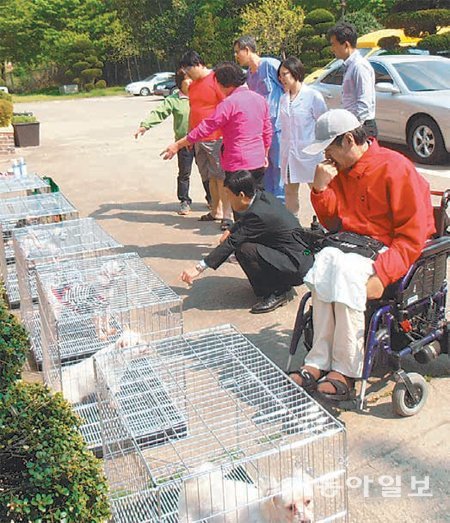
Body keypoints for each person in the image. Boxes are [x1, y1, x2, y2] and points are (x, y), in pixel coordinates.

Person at [289, 109, 435, 400]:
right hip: (350, 244)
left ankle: (345, 369)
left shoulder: (396, 168)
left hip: (384, 249)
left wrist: (384, 273)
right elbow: (332, 222)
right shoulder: (341, 169)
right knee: (324, 264)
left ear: (347, 141)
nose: (326, 156)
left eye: (329, 148)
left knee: (346, 273)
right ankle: (317, 362)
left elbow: (412, 234)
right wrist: (320, 189)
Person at [180, 170, 314, 314]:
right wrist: (231, 229)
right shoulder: (262, 197)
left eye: (229, 195)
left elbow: (232, 242)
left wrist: (198, 268)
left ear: (241, 195)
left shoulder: (259, 214)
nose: (228, 199)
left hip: (298, 265)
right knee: (248, 243)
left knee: (244, 250)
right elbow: (245, 220)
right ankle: (277, 282)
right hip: (303, 254)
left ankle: (277, 291)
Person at [162, 61, 272, 226]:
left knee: (241, 212)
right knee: (257, 205)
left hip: (237, 164)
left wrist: (178, 144)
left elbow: (206, 127)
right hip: (257, 161)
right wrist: (265, 154)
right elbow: (267, 131)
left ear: (224, 84)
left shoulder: (229, 103)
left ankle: (243, 246)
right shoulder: (259, 99)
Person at [178, 50, 233, 229]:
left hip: (216, 137)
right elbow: (193, 111)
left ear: (198, 64)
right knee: (208, 176)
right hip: (198, 139)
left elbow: (226, 106)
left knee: (221, 177)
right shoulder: (192, 86)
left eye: (188, 69)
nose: (187, 74)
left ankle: (227, 214)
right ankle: (214, 210)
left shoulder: (216, 79)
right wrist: (189, 137)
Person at [134, 70, 194, 216]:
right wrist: (145, 125)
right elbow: (159, 112)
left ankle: (212, 199)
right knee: (184, 173)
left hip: (202, 141)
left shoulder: (200, 96)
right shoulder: (173, 100)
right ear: (180, 83)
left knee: (208, 174)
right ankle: (184, 201)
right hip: (183, 143)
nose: (192, 82)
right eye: (188, 79)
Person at [233, 35, 284, 200]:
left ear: (247, 50)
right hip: (262, 129)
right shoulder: (249, 74)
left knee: (278, 167)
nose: (236, 56)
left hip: (278, 126)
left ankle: (281, 205)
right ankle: (269, 203)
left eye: (237, 52)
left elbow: (287, 86)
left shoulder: (270, 65)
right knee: (265, 168)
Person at [278, 56, 327, 219]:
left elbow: (323, 124)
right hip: (289, 153)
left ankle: (324, 223)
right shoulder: (283, 99)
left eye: (285, 74)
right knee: (290, 191)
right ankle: (293, 226)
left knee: (317, 191)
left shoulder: (313, 96)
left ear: (295, 73)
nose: (281, 78)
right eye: (280, 75)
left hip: (310, 153)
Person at [327, 22, 378, 138]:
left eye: (334, 45)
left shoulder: (359, 66)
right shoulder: (350, 66)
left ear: (345, 45)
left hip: (361, 127)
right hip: (353, 125)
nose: (332, 49)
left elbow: (364, 103)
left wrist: (355, 130)